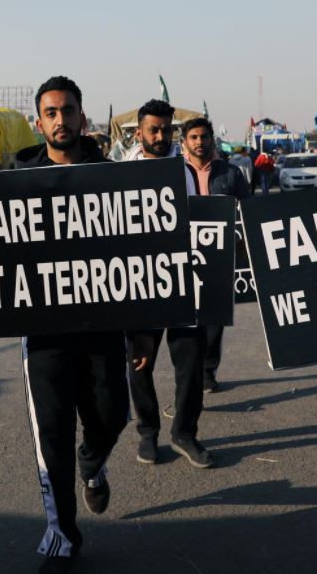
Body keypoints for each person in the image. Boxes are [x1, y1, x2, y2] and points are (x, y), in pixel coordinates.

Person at [15, 76, 129, 574]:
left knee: (112, 415)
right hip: (44, 337)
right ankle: (60, 535)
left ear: (83, 117)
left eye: (69, 111)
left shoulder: (114, 178)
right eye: (51, 113)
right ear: (38, 122)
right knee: (51, 436)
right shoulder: (12, 182)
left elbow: (139, 255)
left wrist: (143, 328)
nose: (61, 121)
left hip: (104, 326)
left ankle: (93, 460)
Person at [123, 99, 214, 468]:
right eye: (153, 130)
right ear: (139, 133)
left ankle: (184, 432)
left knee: (191, 363)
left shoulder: (185, 172)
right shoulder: (121, 171)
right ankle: (148, 433)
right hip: (137, 283)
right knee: (139, 363)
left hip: (181, 280)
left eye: (166, 130)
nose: (160, 137)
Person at [182, 117, 250, 393]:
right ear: (184, 142)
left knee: (214, 321)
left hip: (220, 257)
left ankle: (208, 372)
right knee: (187, 322)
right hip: (184, 257)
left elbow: (247, 210)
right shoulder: (175, 172)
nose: (200, 142)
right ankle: (188, 373)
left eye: (204, 137)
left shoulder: (231, 174)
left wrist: (246, 245)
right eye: (194, 138)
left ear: (212, 139)